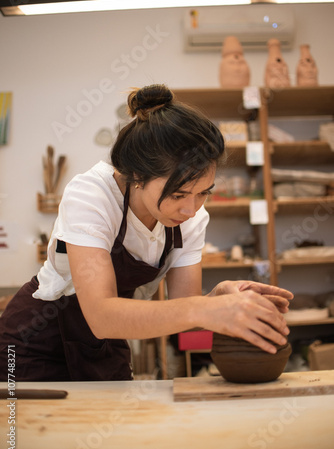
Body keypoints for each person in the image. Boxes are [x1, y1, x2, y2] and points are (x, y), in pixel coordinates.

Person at [0, 84, 292, 381]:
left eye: (204, 193)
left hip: (105, 346)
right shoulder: (91, 196)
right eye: (178, 195)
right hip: (32, 346)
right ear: (138, 175)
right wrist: (207, 308)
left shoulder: (191, 218)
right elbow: (102, 316)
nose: (191, 210)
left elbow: (186, 317)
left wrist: (219, 298)